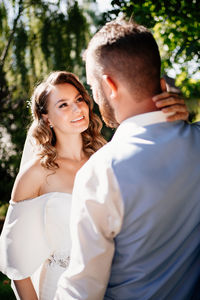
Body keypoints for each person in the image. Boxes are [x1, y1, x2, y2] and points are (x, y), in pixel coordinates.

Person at [0, 74, 189, 299]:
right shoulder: (35, 175)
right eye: (63, 105)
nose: (77, 109)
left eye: (79, 99)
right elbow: (17, 265)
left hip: (115, 283)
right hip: (59, 288)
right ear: (47, 118)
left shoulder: (105, 157)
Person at [54, 19, 200, 300]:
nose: (93, 99)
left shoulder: (101, 172)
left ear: (109, 85)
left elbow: (81, 292)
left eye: (93, 88)